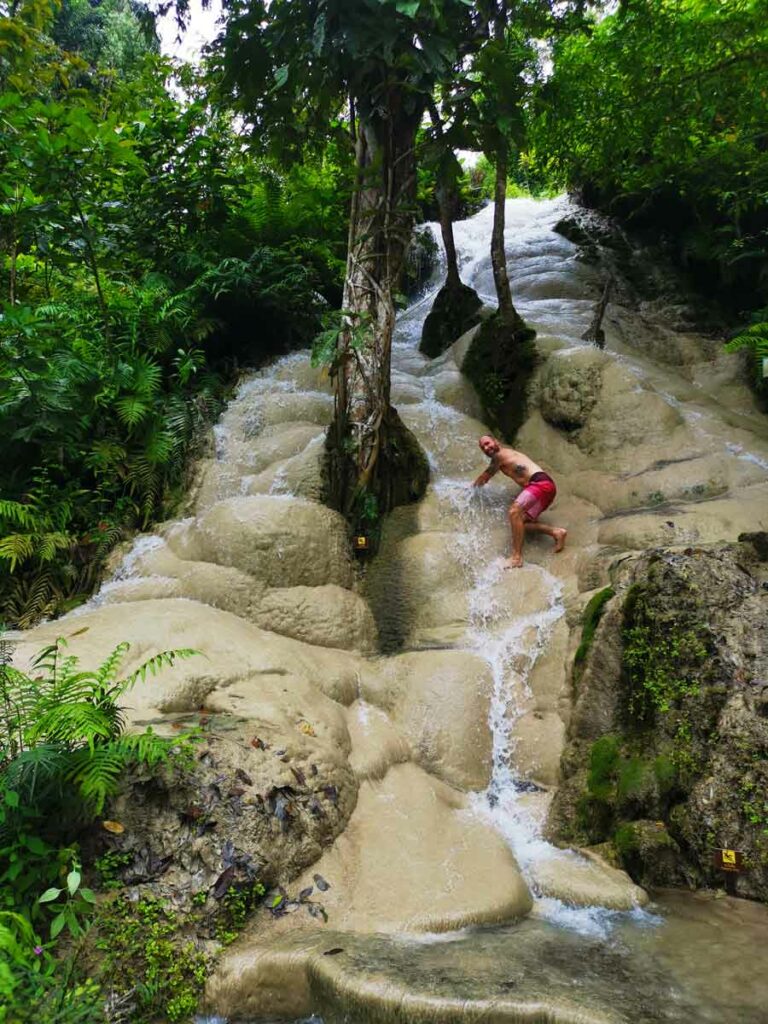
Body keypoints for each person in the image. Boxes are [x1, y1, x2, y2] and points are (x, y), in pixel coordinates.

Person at [472, 434, 567, 568]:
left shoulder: (499, 456)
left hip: (540, 484)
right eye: (483, 447)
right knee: (520, 524)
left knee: (513, 512)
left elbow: (484, 478)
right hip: (546, 487)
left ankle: (516, 557)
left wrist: (469, 491)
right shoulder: (509, 455)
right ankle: (556, 532)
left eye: (488, 443)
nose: (486, 448)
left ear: (496, 441)